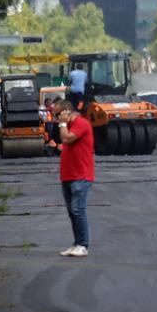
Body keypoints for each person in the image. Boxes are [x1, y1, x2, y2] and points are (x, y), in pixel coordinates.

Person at [54, 99, 94, 258]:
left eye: (58, 114)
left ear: (66, 111)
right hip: (68, 175)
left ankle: (83, 244)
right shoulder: (67, 125)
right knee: (72, 212)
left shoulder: (81, 124)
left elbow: (67, 139)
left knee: (78, 210)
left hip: (81, 175)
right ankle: (77, 243)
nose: (56, 118)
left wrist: (63, 124)